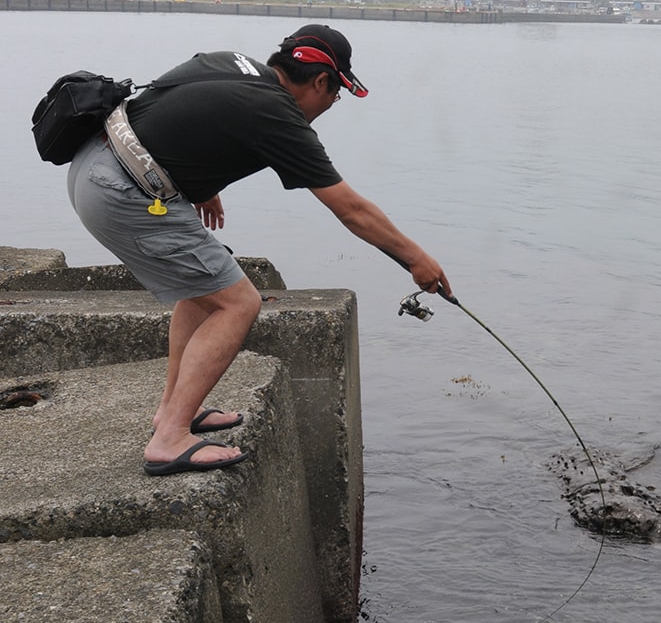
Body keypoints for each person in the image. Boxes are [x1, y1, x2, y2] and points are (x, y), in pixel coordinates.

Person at [67, 24, 452, 476]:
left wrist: (195, 181)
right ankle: (169, 438)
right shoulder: (278, 113)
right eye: (336, 95)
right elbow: (351, 210)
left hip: (95, 163)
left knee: (204, 287)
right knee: (237, 304)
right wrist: (416, 260)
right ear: (321, 81)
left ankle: (174, 410)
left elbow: (172, 109)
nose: (331, 105)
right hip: (122, 191)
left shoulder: (233, 64)